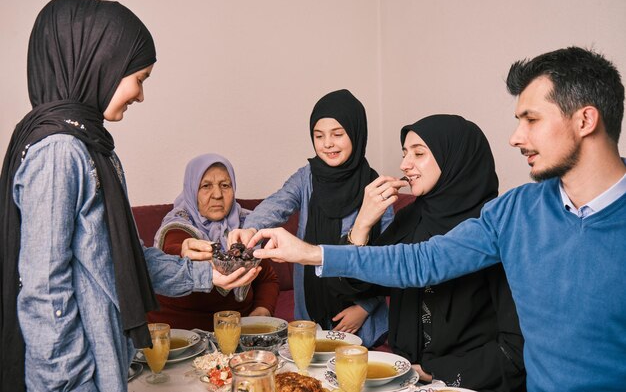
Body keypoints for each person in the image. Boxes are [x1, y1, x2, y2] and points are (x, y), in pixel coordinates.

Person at [245, 47, 626, 391]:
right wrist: (310, 252)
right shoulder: (515, 211)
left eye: (531, 119)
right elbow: (422, 261)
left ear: (585, 120)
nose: (514, 137)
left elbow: (511, 350)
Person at [0, 0, 258, 392]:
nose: (140, 95)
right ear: (101, 65)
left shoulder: (93, 149)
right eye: (140, 79)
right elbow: (43, 293)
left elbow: (128, 261)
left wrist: (210, 273)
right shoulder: (59, 152)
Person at [347, 114, 525, 390]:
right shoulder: (410, 217)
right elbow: (361, 285)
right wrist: (362, 224)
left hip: (465, 382)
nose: (405, 164)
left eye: (419, 153)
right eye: (405, 153)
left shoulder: (493, 226)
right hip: (403, 376)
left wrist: (432, 371)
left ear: (456, 159)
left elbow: (514, 350)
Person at [228, 89, 394, 347]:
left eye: (337, 134)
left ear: (356, 132)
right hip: (311, 320)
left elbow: (390, 260)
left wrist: (364, 308)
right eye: (319, 136)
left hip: (363, 326)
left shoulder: (376, 189)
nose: (327, 143)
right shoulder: (306, 178)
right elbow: (276, 204)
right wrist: (250, 229)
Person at [147, 153, 279, 330]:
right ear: (191, 190)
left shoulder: (246, 226)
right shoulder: (178, 225)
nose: (217, 194)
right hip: (179, 333)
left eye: (225, 185)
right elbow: (172, 249)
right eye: (206, 186)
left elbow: (267, 277)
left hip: (235, 333)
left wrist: (262, 310)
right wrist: (185, 252)